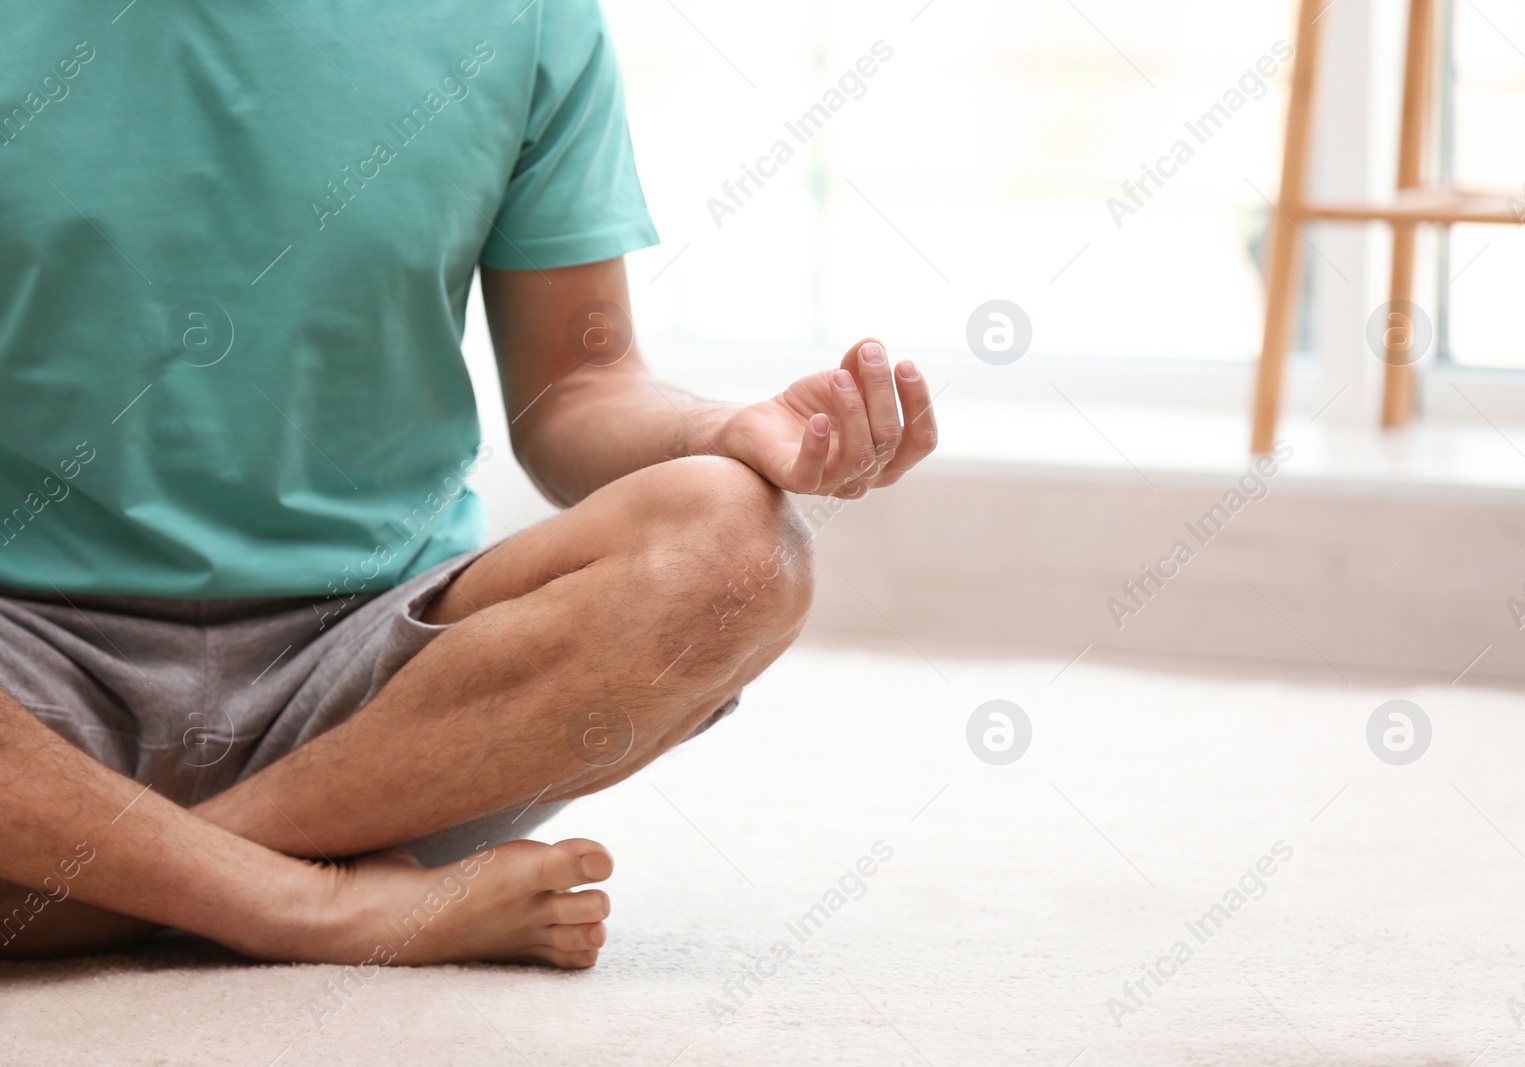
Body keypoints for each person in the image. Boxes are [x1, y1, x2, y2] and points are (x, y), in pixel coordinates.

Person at [0, 2, 935, 966]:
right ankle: (301, 903)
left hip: (378, 694)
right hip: (25, 666)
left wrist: (722, 431)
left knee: (740, 544)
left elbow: (576, 386)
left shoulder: (527, 16)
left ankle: (96, 884)